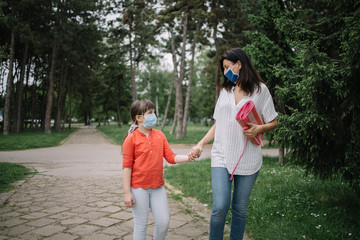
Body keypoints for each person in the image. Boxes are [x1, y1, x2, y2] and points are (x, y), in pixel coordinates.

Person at [190, 48, 278, 240]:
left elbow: (273, 121)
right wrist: (201, 143)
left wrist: (258, 129)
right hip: (221, 154)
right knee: (220, 206)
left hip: (248, 158)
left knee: (239, 209)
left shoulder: (260, 90)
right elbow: (218, 122)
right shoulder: (225, 90)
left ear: (239, 64)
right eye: (223, 68)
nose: (225, 72)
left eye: (228, 67)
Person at [122, 99, 195, 240]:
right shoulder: (131, 139)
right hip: (138, 189)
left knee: (163, 223)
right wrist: (127, 192)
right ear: (138, 118)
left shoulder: (160, 135)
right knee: (141, 225)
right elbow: (127, 167)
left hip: (158, 187)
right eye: (150, 113)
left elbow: (171, 157)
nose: (153, 115)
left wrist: (188, 157)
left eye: (153, 112)